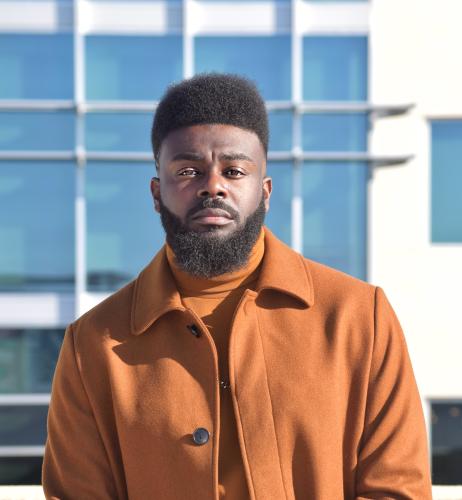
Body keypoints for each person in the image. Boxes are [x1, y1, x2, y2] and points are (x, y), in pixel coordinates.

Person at [42, 73, 432, 499]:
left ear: (264, 191)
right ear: (157, 193)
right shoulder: (91, 346)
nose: (213, 186)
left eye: (234, 170)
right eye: (188, 170)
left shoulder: (359, 318)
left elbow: (398, 489)